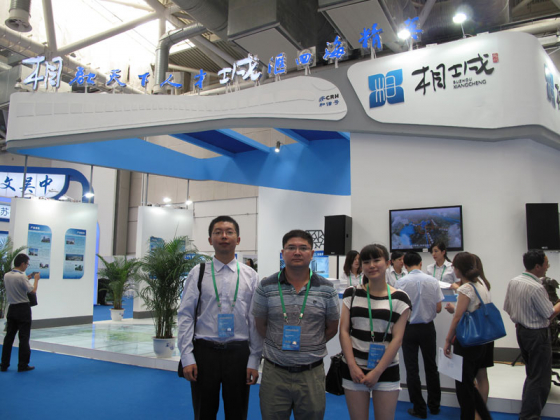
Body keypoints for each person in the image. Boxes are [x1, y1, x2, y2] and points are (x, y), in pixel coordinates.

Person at [177, 215, 263, 420]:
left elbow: (255, 320)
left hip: (239, 354)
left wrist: (254, 359)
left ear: (238, 239)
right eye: (218, 232)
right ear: (210, 240)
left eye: (229, 232)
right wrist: (187, 356)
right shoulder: (198, 273)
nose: (224, 236)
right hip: (205, 353)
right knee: (203, 413)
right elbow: (186, 315)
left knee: (237, 414)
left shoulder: (251, 275)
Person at [252, 230, 340, 420]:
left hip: (311, 373)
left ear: (312, 253)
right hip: (275, 372)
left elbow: (332, 327)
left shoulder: (327, 288)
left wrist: (311, 344)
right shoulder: (266, 286)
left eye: (303, 248)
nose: (297, 252)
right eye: (291, 248)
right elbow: (260, 325)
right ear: (283, 253)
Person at [339, 244, 411, 420]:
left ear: (387, 263)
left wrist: (377, 371)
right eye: (366, 262)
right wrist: (352, 366)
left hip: (386, 369)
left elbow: (397, 339)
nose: (371, 265)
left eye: (376, 260)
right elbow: (344, 331)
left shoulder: (400, 298)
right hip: (354, 369)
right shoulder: (351, 293)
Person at [504, 250, 560, 420]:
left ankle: (527, 413)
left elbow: (508, 307)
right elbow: (549, 314)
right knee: (540, 378)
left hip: (522, 332)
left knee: (532, 375)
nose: (547, 266)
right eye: (546, 263)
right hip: (537, 335)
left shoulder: (514, 281)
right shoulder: (536, 287)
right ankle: (529, 416)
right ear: (537, 266)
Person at [443, 252, 493, 420]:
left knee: (464, 387)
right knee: (471, 383)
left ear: (458, 269)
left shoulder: (466, 289)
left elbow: (457, 317)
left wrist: (447, 340)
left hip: (467, 342)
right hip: (481, 340)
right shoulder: (480, 284)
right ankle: (483, 416)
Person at [395, 251, 444, 419]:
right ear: (421, 263)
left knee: (412, 368)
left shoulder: (400, 282)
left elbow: (397, 308)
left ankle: (419, 407)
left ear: (405, 265)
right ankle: (435, 405)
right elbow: (438, 308)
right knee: (431, 366)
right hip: (427, 328)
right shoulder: (433, 281)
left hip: (408, 328)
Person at [1, 253, 40, 372]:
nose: (27, 266)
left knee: (9, 337)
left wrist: (27, 278)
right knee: (24, 337)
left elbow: (18, 283)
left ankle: (4, 364)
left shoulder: (7, 275)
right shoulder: (21, 277)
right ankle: (22, 365)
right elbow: (33, 291)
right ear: (22, 264)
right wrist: (36, 280)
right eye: (27, 264)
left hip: (12, 308)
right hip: (23, 309)